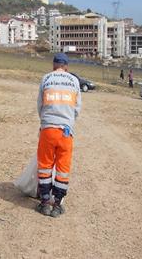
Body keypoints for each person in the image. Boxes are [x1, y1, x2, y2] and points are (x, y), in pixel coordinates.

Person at [36, 52, 82, 218]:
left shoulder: (46, 78)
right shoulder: (74, 80)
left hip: (48, 129)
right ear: (66, 66)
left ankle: (45, 202)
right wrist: (68, 121)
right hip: (66, 132)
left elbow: (40, 105)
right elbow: (77, 108)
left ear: (53, 65)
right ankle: (57, 205)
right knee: (63, 169)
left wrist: (46, 122)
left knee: (45, 166)